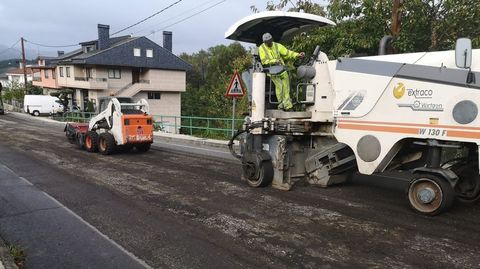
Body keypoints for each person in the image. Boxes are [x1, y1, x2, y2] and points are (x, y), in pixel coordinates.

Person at [258, 32, 305, 111]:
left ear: (272, 39)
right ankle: (281, 104)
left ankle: (287, 106)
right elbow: (264, 61)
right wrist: (275, 61)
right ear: (264, 42)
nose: (269, 43)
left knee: (286, 87)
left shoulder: (277, 45)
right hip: (272, 71)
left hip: (281, 69)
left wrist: (297, 55)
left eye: (270, 41)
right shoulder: (261, 48)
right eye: (267, 42)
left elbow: (287, 53)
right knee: (280, 87)